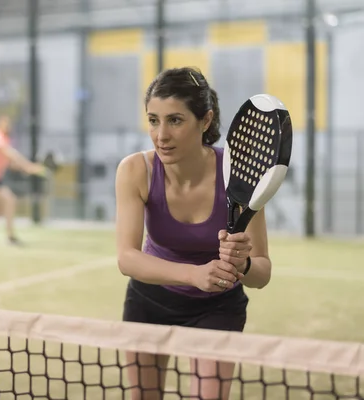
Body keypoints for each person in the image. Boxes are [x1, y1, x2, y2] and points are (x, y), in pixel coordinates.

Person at [115, 67, 272, 400]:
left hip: (217, 309)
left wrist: (242, 265)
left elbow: (261, 273)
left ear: (205, 120)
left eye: (175, 120)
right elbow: (127, 259)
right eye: (153, 120)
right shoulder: (135, 170)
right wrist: (194, 274)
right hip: (149, 302)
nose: (161, 135)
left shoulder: (239, 175)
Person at [0, 116, 45, 245]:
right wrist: (30, 167)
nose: (8, 127)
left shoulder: (2, 138)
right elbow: (12, 155)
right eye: (5, 125)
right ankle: (10, 236)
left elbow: (9, 162)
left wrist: (27, 168)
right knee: (10, 201)